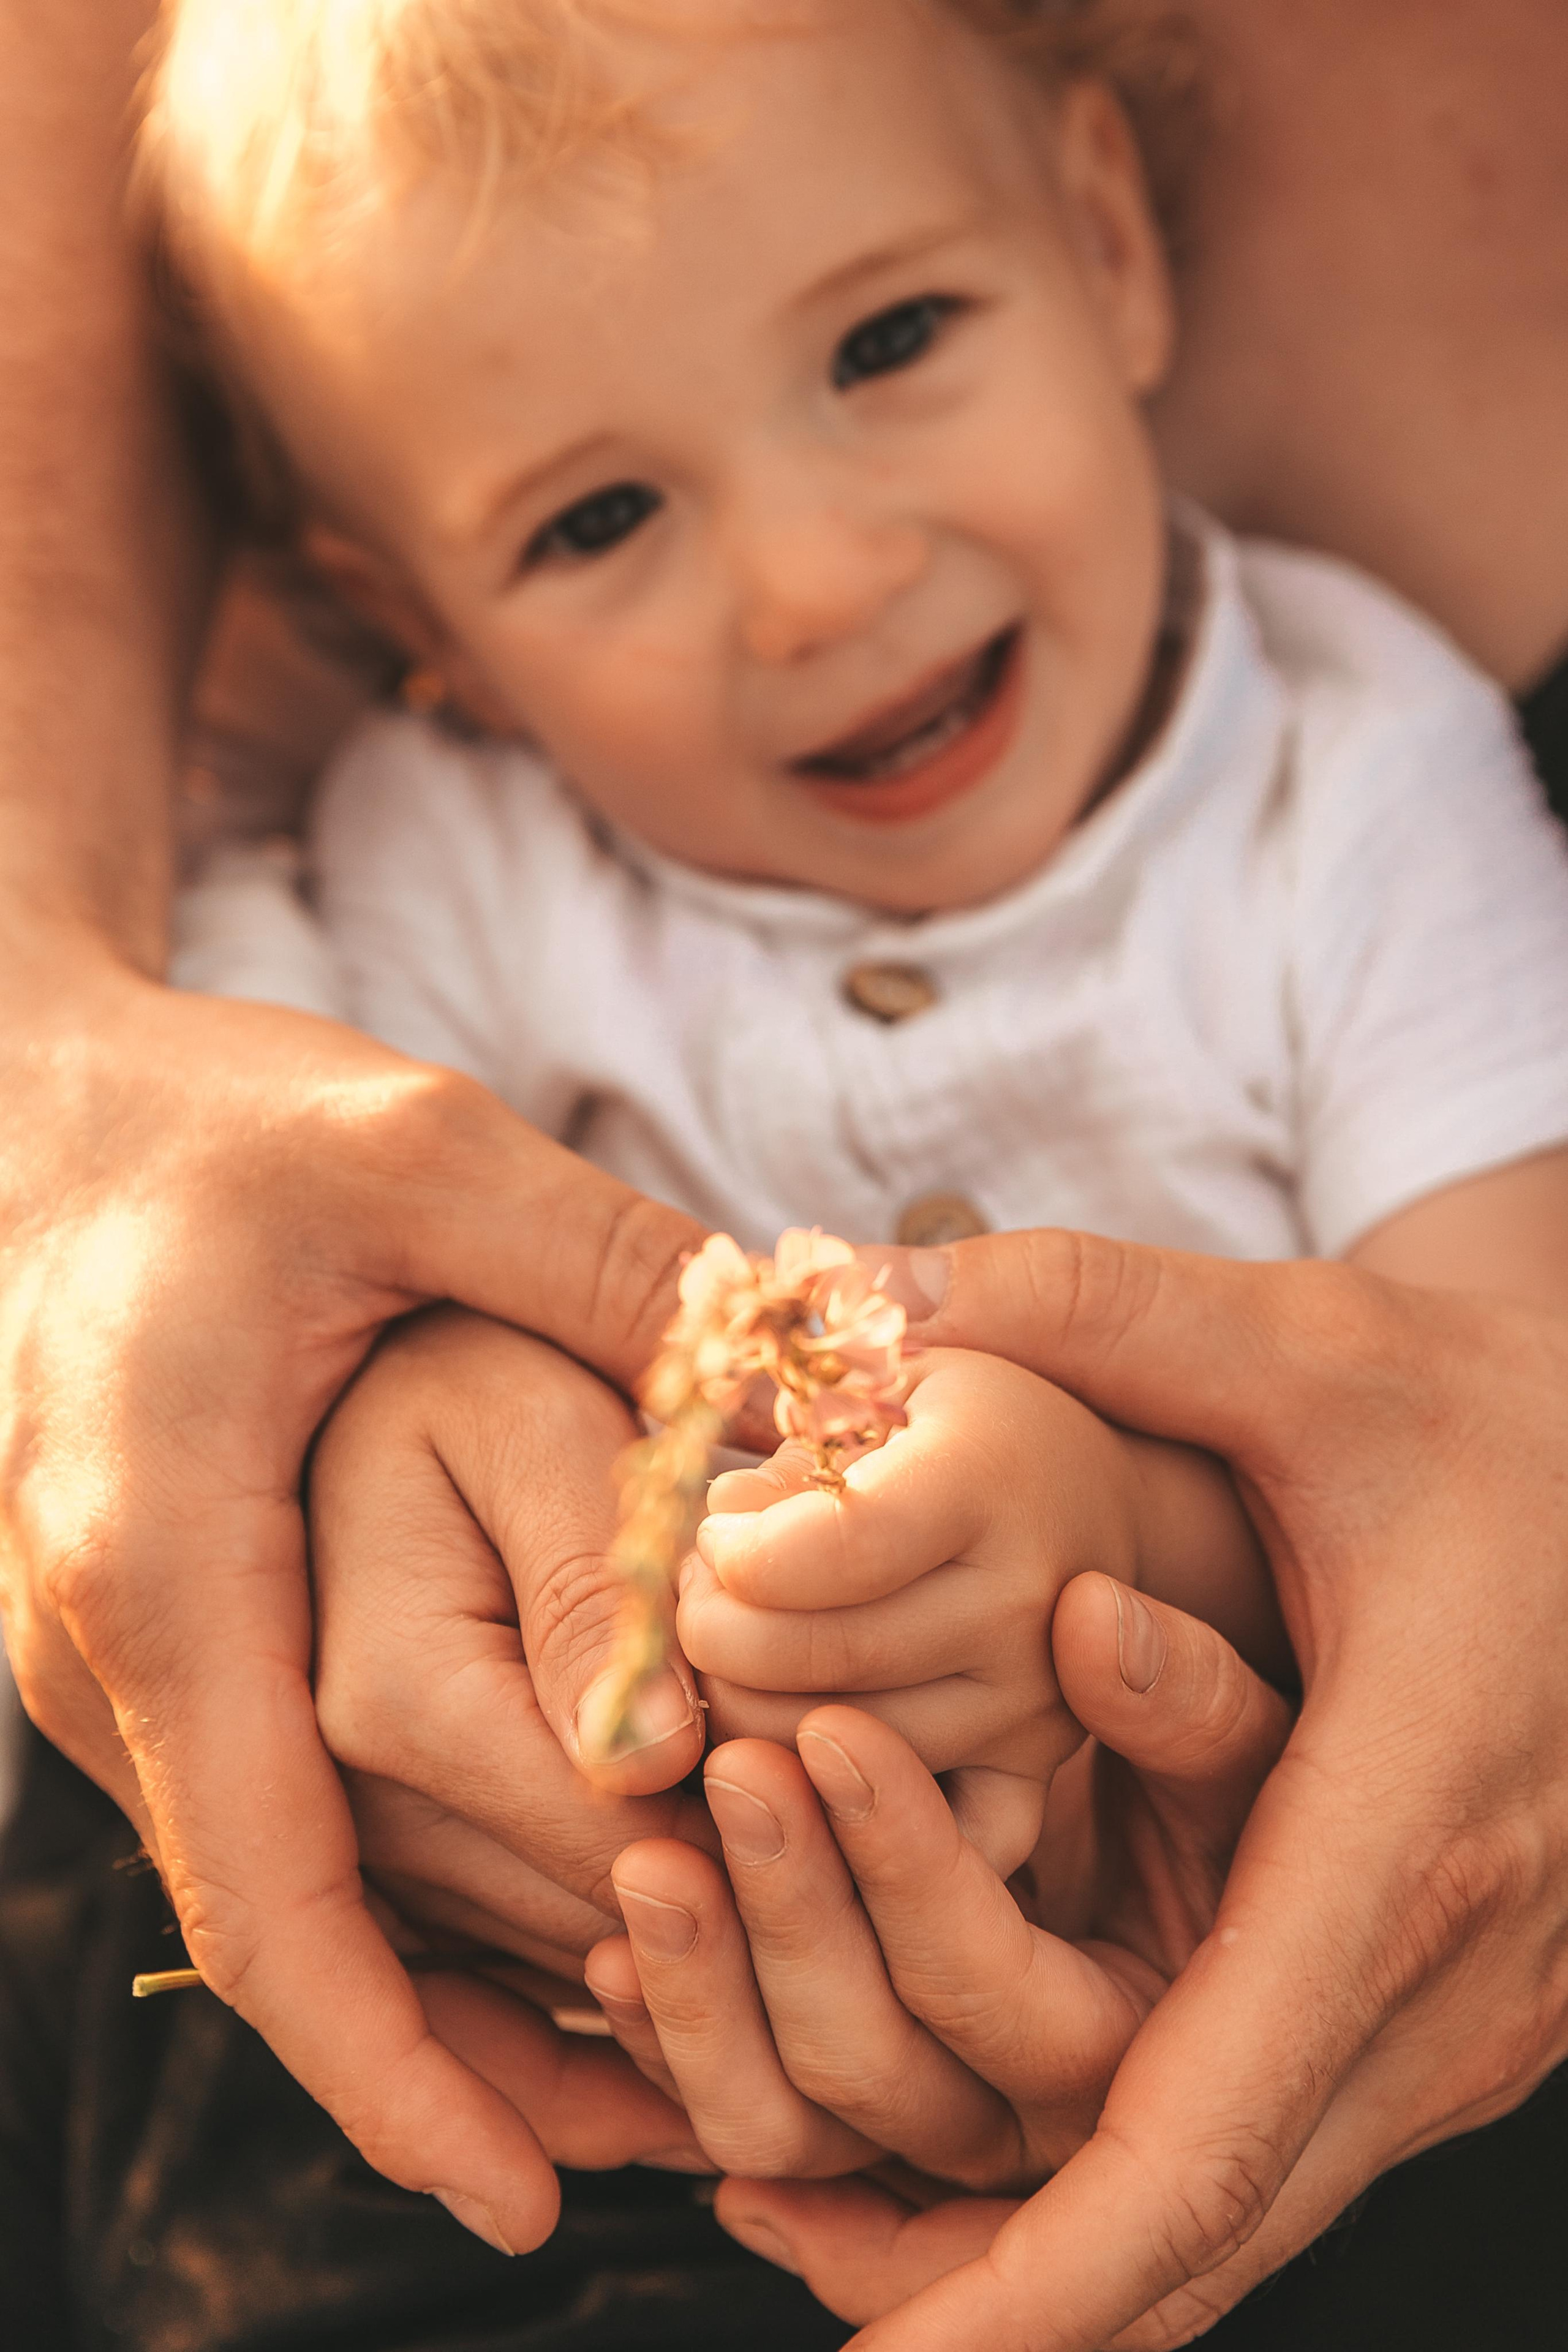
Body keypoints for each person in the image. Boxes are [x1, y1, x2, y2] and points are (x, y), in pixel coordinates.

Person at [2, 0, 1568, 2343]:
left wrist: (1119, 1536)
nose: (820, 581)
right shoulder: (449, 867)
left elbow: (1495, 1404)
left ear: (1114, 247)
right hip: (582, 2082)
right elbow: (299, 1311)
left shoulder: (1352, 786)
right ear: (420, 637)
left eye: (893, 339)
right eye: (599, 518)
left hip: (1314, 2017)